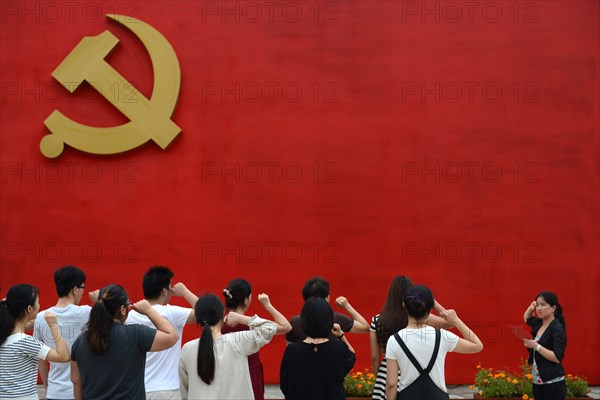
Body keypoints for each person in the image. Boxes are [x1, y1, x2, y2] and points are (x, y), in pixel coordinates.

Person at [70, 284, 179, 400]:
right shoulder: (135, 334)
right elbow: (172, 336)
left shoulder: (80, 342)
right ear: (122, 309)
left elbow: (76, 382)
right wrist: (149, 311)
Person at [385, 285, 483, 400]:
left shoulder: (394, 340)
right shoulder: (442, 336)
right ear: (431, 309)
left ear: (404, 306)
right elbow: (477, 345)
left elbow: (391, 383)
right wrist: (456, 320)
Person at [178, 294, 278, 400]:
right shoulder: (238, 341)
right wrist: (241, 318)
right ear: (222, 314)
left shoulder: (187, 349)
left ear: (197, 318)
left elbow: (185, 391)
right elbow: (270, 328)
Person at [370, 276, 453, 400]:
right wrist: (432, 302)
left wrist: (379, 376)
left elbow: (375, 355)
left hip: (386, 373)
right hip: (412, 373)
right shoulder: (419, 318)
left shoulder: (377, 320)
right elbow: (451, 323)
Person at [126, 266, 198, 400]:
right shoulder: (171, 313)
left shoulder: (129, 316)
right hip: (168, 390)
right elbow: (207, 313)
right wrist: (185, 292)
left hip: (137, 390)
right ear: (164, 291)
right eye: (170, 288)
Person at [33, 266, 97, 400]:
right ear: (75, 289)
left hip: (55, 391)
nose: (83, 292)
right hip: (82, 391)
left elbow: (40, 358)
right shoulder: (86, 313)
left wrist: (47, 386)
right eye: (82, 288)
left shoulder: (41, 317)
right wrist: (98, 301)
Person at [221, 278, 292, 400]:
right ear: (246, 300)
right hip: (250, 376)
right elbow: (286, 327)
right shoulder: (253, 324)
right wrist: (267, 305)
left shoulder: (219, 323)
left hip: (226, 377)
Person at [1, 284, 70, 399]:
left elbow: (18, 325)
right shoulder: (26, 342)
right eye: (38, 302)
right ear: (29, 309)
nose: (39, 306)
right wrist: (53, 325)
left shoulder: (4, 337)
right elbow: (64, 356)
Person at [280, 297, 356, 400]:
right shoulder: (338, 349)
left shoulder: (292, 351)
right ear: (329, 321)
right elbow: (352, 356)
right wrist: (340, 335)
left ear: (304, 321)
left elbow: (285, 385)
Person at [285, 276, 369, 343]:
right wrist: (347, 306)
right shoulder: (335, 319)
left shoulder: (294, 322)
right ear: (327, 297)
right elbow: (365, 328)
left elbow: (290, 350)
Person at [523, 291, 567, 400]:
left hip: (552, 382)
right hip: (538, 381)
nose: (539, 308)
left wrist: (536, 346)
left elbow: (557, 357)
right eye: (537, 305)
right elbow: (526, 317)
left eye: (543, 305)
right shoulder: (539, 324)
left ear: (553, 308)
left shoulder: (557, 328)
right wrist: (531, 306)